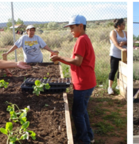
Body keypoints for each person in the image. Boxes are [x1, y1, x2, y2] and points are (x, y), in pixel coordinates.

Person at [50, 14, 96, 144]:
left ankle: (84, 139)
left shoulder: (81, 40)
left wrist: (59, 58)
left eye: (72, 27)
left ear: (80, 26)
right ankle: (89, 135)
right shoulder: (85, 38)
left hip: (83, 84)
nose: (70, 30)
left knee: (77, 113)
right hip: (87, 81)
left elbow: (77, 61)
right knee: (82, 111)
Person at [107, 18, 127, 95]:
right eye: (123, 24)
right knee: (113, 70)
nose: (124, 25)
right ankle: (110, 87)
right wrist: (121, 49)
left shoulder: (125, 33)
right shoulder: (113, 32)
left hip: (124, 55)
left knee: (121, 70)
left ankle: (119, 85)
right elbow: (115, 43)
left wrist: (125, 42)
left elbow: (130, 42)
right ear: (118, 25)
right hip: (115, 54)